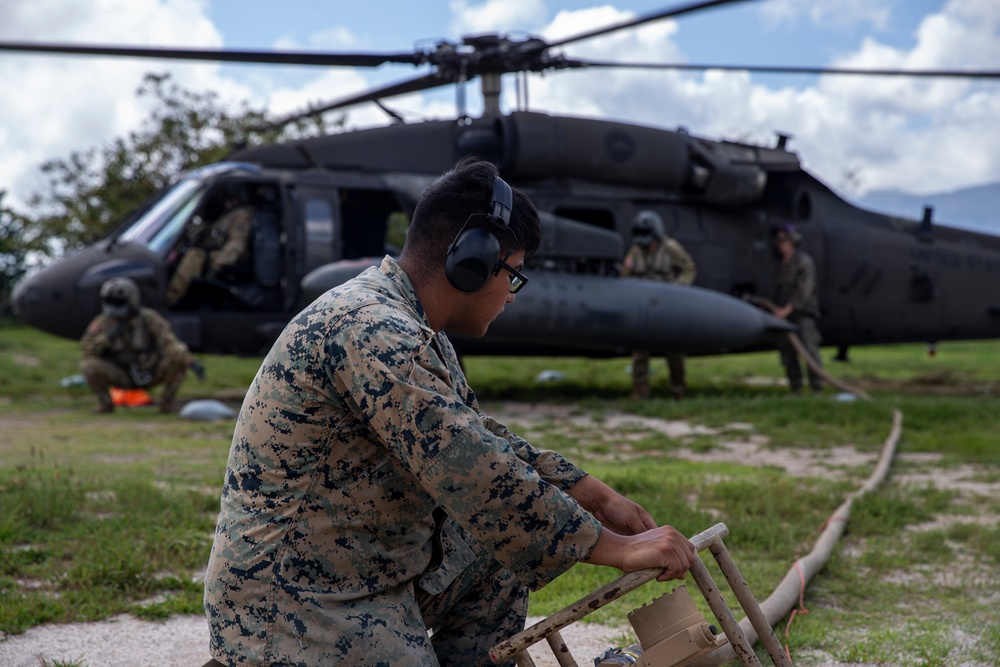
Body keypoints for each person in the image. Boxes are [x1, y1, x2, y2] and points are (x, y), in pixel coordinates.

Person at [203, 158, 696, 667]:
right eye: (513, 273)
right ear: (473, 260)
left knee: (497, 559)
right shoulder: (370, 328)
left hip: (357, 571)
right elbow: (472, 469)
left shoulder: (412, 326)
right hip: (294, 599)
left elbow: (478, 436)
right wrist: (613, 547)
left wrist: (593, 493)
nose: (510, 293)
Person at [80, 277, 203, 413]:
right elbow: (88, 350)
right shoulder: (103, 323)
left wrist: (190, 362)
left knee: (177, 360)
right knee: (89, 366)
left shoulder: (149, 319)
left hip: (149, 371)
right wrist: (107, 338)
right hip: (121, 374)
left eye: (119, 304)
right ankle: (106, 405)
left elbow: (169, 343)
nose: (114, 309)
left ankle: (166, 405)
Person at [620, 210, 697, 400]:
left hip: (667, 306)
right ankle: (640, 391)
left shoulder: (670, 248)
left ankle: (678, 389)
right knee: (639, 351)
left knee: (674, 351)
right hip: (644, 307)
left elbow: (689, 269)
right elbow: (624, 275)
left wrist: (677, 289)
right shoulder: (635, 251)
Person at [166, 188, 254, 306]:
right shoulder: (224, 213)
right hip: (213, 254)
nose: (229, 202)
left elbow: (236, 245)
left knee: (195, 255)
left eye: (232, 198)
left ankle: (170, 299)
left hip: (225, 259)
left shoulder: (241, 216)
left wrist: (216, 264)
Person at [770, 223, 823, 394]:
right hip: (785, 316)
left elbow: (804, 290)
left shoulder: (803, 261)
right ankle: (796, 388)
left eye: (784, 240)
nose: (781, 244)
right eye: (779, 241)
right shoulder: (780, 264)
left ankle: (816, 388)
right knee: (788, 353)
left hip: (802, 314)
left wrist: (787, 309)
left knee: (810, 351)